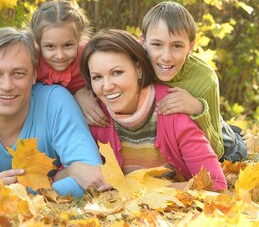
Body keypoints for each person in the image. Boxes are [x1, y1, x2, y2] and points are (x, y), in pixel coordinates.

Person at [0, 27, 108, 197]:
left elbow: (90, 175)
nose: (7, 86)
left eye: (18, 74)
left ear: (33, 75)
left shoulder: (55, 101)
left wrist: (18, 193)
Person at [80, 29, 227, 191]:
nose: (107, 86)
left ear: (139, 70)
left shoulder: (172, 110)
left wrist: (137, 189)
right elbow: (61, 172)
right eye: (97, 77)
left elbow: (215, 183)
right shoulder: (94, 117)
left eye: (117, 72)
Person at [0, 0, 108, 150]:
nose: (59, 55)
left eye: (68, 45)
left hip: (77, 113)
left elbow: (110, 73)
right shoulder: (31, 57)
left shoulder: (87, 56)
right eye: (50, 46)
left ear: (79, 39)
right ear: (37, 42)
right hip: (43, 117)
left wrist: (82, 91)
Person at [141, 1, 247, 162]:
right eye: (156, 44)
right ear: (143, 43)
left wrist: (198, 109)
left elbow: (216, 151)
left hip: (223, 144)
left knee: (232, 148)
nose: (166, 56)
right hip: (175, 138)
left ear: (190, 47)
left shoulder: (204, 79)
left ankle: (230, 132)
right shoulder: (131, 66)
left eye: (176, 46)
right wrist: (86, 94)